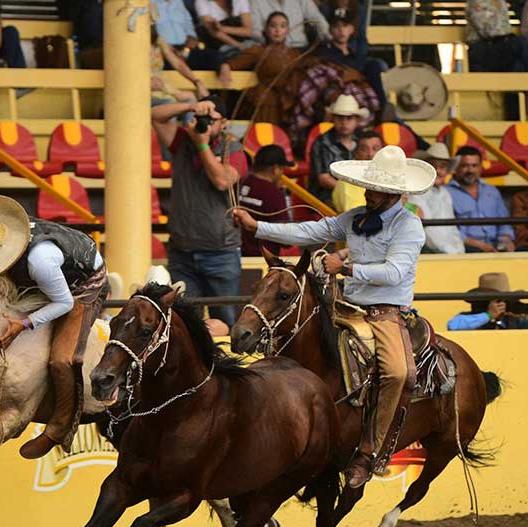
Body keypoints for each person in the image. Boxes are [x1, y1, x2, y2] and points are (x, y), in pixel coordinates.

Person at [233, 145, 435, 488]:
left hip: (385, 313)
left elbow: (396, 272)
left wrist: (347, 266)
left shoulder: (409, 226)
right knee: (292, 339)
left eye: (377, 189)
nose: (369, 194)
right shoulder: (355, 217)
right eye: (370, 187)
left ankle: (369, 452)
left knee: (399, 372)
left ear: (393, 194)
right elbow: (310, 231)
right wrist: (257, 227)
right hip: (344, 305)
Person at [0, 196, 109, 460]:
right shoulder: (5, 231)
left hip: (81, 286)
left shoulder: (39, 261)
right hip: (47, 278)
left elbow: (64, 302)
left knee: (61, 359)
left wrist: (24, 324)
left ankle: (60, 426)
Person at [221, 13, 378, 153]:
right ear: (266, 29)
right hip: (271, 97)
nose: (277, 30)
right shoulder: (258, 50)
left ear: (288, 30)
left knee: (320, 86)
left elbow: (308, 68)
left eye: (282, 26)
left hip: (294, 96)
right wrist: (226, 68)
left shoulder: (294, 53)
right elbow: (232, 63)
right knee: (269, 119)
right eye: (273, 26)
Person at [153, 96, 246, 326]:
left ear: (223, 123)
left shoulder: (233, 148)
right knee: (186, 323)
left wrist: (202, 144)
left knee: (226, 322)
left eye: (210, 119)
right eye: (200, 118)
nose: (204, 124)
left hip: (220, 253)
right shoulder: (184, 140)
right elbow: (155, 115)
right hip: (182, 251)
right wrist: (190, 106)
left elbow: (222, 181)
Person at [466, 0, 528, 119]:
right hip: (482, 51)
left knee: (517, 66)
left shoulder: (500, 2)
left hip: (499, 48)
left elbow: (505, 29)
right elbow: (489, 31)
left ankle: (515, 118)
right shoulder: (476, 2)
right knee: (520, 42)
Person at [316, 10, 388, 113]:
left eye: (345, 26)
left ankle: (383, 109)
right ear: (330, 30)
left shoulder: (357, 56)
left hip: (361, 92)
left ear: (351, 29)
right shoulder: (324, 54)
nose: (341, 30)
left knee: (374, 65)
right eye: (336, 27)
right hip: (339, 95)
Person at [447, 146, 515, 252]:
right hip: (466, 249)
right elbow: (449, 231)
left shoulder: (492, 191)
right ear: (456, 168)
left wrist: (505, 239)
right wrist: (481, 246)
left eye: (474, 166)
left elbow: (504, 222)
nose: (470, 170)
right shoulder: (447, 193)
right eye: (465, 166)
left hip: (496, 247)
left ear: (480, 167)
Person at [407, 143, 466, 254]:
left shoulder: (445, 193)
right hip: (429, 252)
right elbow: (426, 231)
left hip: (449, 252)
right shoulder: (415, 193)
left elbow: (452, 227)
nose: (438, 171)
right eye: (433, 166)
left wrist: (460, 250)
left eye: (443, 166)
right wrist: (450, 252)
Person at [310, 94, 368, 207]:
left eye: (349, 118)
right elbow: (324, 179)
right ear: (333, 119)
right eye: (340, 118)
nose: (344, 122)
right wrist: (351, 192)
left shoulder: (362, 139)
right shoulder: (322, 142)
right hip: (327, 197)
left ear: (357, 120)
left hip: (361, 195)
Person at [447, 272, 528, 330]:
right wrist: (488, 316)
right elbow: (453, 326)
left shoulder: (515, 320)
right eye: (498, 301)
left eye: (505, 300)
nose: (502, 305)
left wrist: (526, 313)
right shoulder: (472, 317)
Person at [238, 145, 293, 256]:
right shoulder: (274, 194)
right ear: (275, 169)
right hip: (262, 261)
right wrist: (285, 196)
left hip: (234, 256)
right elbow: (287, 240)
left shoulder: (238, 183)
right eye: (282, 169)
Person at [153, 0, 225, 70]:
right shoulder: (148, 3)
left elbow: (189, 25)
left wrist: (191, 38)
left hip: (185, 50)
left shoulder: (178, 2)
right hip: (162, 51)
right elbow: (151, 33)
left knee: (215, 57)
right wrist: (167, 48)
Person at [332, 130, 382, 212]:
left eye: (375, 149)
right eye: (364, 149)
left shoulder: (386, 176)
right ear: (356, 153)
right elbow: (356, 215)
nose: (370, 154)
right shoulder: (348, 180)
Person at [250, 0, 330, 48]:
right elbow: (255, 31)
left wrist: (328, 36)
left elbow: (317, 19)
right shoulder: (256, 2)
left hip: (301, 47)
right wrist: (270, 43)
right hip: (271, 49)